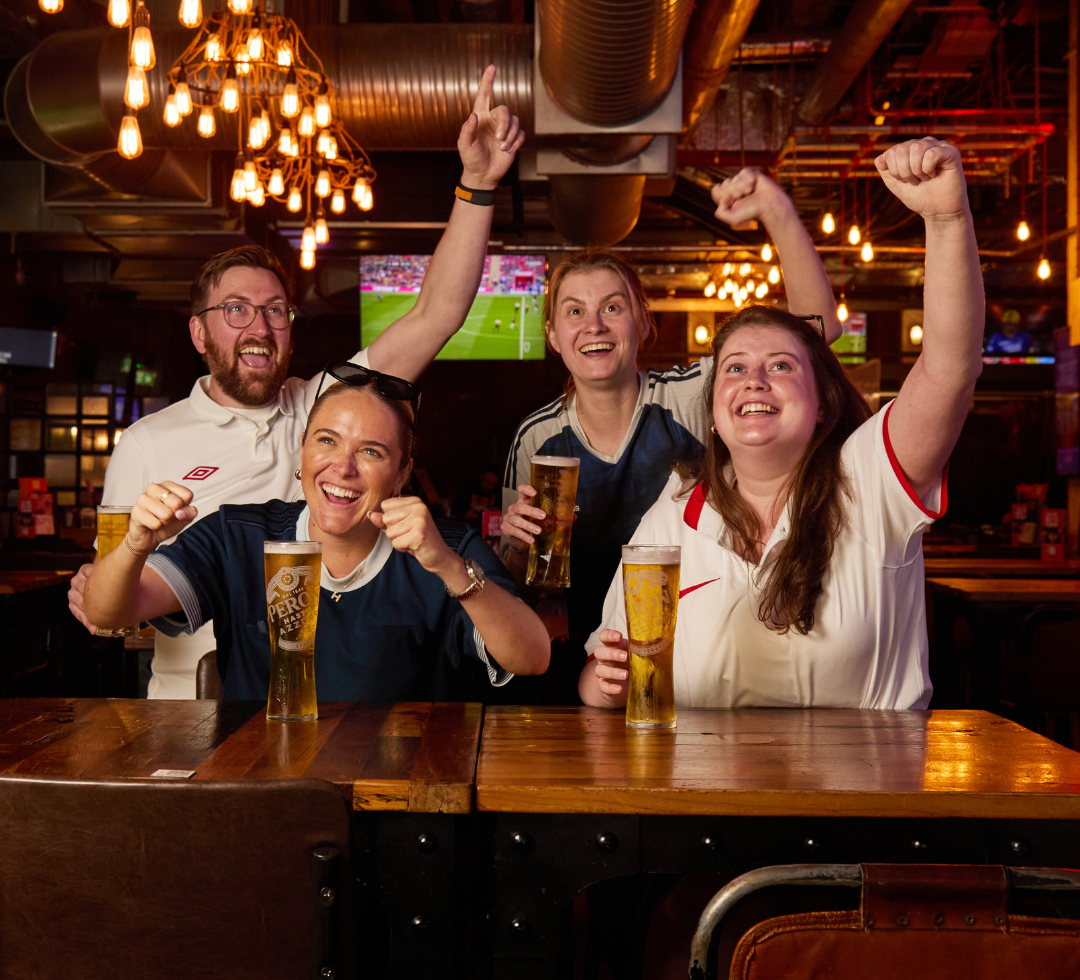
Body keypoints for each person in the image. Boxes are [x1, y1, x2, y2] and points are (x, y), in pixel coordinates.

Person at [69, 64, 526, 698]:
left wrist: (476, 184)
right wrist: (123, 584)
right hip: (196, 707)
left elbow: (437, 314)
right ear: (199, 333)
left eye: (275, 310)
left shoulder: (330, 408)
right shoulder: (145, 444)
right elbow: (107, 610)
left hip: (332, 688)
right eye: (235, 310)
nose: (258, 326)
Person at [581, 137, 983, 711]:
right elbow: (605, 681)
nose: (754, 381)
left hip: (862, 797)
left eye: (781, 366)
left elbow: (949, 368)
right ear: (715, 413)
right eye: (736, 368)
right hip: (707, 797)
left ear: (821, 404)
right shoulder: (672, 518)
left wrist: (946, 219)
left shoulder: (868, 481)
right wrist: (600, 683)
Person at [500, 169, 842, 702]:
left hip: (717, 645)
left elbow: (813, 337)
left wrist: (779, 214)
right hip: (603, 657)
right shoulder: (536, 437)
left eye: (612, 307)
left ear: (642, 320)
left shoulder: (693, 393)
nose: (594, 325)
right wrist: (514, 544)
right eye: (574, 312)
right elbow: (517, 585)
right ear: (553, 337)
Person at [81, 371, 550, 701]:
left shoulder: (447, 548)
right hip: (267, 793)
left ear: (403, 472)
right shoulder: (238, 533)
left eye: (371, 451)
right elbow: (106, 613)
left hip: (402, 800)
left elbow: (533, 657)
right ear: (302, 451)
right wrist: (137, 544)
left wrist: (447, 566)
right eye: (326, 441)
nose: (342, 468)